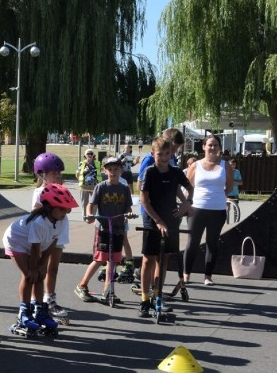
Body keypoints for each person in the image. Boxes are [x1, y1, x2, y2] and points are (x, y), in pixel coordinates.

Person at [3, 184, 78, 333]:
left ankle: (39, 310)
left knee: (40, 276)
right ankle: (23, 313)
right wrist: (33, 268)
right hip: (16, 242)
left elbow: (52, 243)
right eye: (62, 208)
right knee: (30, 276)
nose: (66, 212)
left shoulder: (62, 221)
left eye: (67, 209)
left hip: (35, 244)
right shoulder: (39, 222)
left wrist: (43, 265)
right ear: (50, 207)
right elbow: (35, 248)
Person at [138, 136, 193, 317]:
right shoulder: (149, 172)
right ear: (153, 153)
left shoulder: (175, 172)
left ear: (171, 153)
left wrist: (186, 203)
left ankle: (157, 296)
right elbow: (144, 200)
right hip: (152, 220)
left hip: (171, 220)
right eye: (159, 154)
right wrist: (158, 221)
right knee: (148, 259)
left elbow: (189, 187)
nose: (163, 158)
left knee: (165, 259)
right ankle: (145, 299)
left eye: (167, 154)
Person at [74, 156, 133, 303]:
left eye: (116, 169)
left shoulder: (124, 189)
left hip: (118, 228)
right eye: (110, 169)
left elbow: (128, 207)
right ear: (105, 171)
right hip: (103, 227)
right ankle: (82, 285)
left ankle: (108, 290)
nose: (113, 172)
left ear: (121, 171)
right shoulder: (101, 187)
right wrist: (89, 214)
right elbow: (91, 204)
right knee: (100, 258)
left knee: (113, 260)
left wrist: (130, 213)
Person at [182, 134, 234, 286]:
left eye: (215, 145)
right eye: (209, 145)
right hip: (196, 209)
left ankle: (208, 276)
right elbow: (188, 187)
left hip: (217, 210)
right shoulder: (195, 165)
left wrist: (219, 198)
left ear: (219, 148)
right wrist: (187, 204)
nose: (212, 148)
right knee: (193, 242)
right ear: (204, 147)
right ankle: (186, 274)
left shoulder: (225, 165)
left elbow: (229, 187)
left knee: (212, 242)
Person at [30, 153, 71, 319]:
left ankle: (50, 298)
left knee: (53, 268)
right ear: (42, 174)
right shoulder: (39, 191)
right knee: (41, 268)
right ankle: (35, 301)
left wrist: (61, 194)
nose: (58, 176)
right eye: (54, 173)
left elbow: (68, 209)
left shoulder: (63, 189)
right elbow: (35, 211)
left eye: (59, 173)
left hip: (59, 232)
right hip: (44, 234)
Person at [75, 148, 99, 215]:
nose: (90, 155)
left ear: (93, 155)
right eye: (88, 154)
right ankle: (85, 216)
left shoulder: (96, 163)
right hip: (84, 185)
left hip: (94, 185)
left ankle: (93, 215)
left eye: (91, 153)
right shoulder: (82, 164)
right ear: (85, 155)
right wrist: (84, 171)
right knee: (84, 202)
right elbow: (77, 174)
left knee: (95, 201)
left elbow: (100, 173)